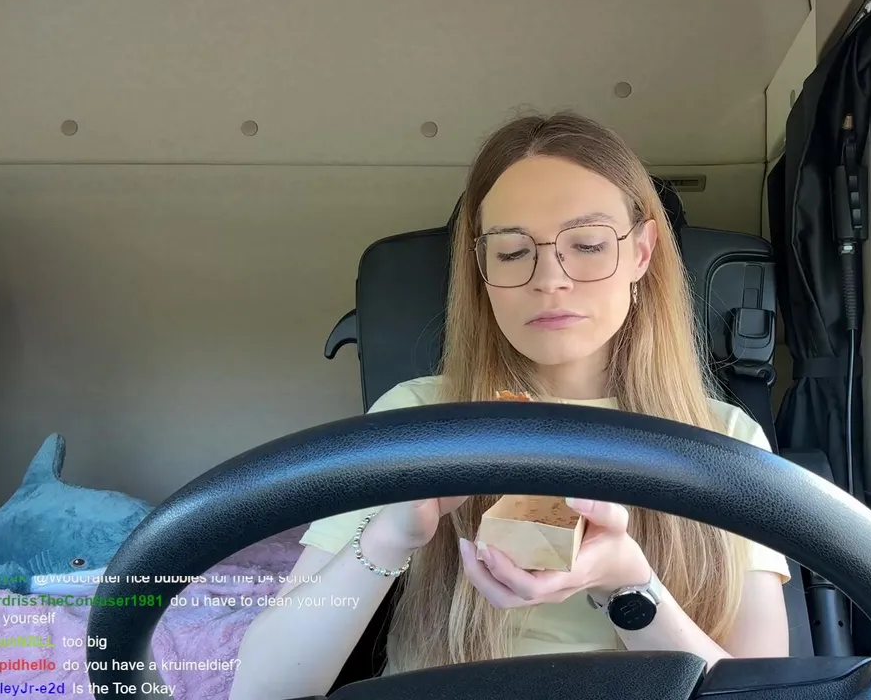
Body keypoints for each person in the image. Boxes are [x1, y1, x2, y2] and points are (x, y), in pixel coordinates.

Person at [229, 111, 789, 699]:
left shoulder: (725, 437)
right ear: (481, 267)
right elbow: (261, 691)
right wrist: (390, 536)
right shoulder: (415, 417)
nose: (550, 279)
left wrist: (627, 587)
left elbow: (767, 693)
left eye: (588, 244)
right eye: (513, 252)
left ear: (642, 252)